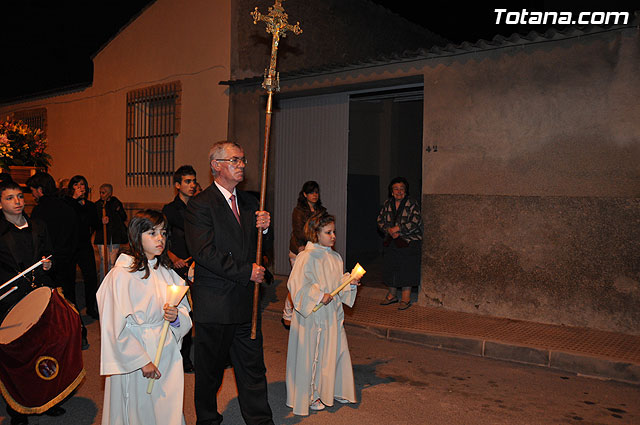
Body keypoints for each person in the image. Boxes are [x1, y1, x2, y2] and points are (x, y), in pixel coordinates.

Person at [184, 141, 274, 425]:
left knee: (253, 369)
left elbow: (259, 247)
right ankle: (208, 420)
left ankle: (260, 420)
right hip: (216, 304)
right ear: (216, 165)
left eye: (243, 160)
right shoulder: (200, 205)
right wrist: (246, 271)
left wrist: (265, 227)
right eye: (235, 160)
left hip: (246, 303)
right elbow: (204, 253)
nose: (242, 165)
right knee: (210, 373)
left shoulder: (250, 202)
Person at [97, 210, 192, 425]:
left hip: (165, 350)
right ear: (137, 236)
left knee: (165, 408)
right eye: (152, 233)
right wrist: (141, 360)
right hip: (137, 354)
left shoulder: (166, 271)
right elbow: (113, 326)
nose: (160, 239)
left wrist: (175, 317)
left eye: (163, 233)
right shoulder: (121, 275)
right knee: (139, 409)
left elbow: (184, 311)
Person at [0, 179, 66, 425]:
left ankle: (48, 398)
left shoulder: (38, 225)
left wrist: (49, 264)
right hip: (11, 300)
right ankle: (18, 407)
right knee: (18, 355)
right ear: (0, 203)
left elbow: (50, 256)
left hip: (40, 295)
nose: (17, 201)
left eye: (19, 196)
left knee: (46, 348)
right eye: (10, 197)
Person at [285, 211, 358, 416]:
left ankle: (333, 388)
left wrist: (349, 282)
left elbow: (337, 285)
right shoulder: (305, 257)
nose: (333, 236)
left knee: (334, 351)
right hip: (313, 316)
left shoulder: (335, 257)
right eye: (328, 232)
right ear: (316, 233)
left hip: (331, 316)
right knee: (313, 353)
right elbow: (296, 284)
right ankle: (311, 394)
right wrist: (318, 295)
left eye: (334, 231)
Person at [162, 165, 197, 373]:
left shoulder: (198, 206)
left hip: (196, 266)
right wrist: (173, 257)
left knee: (195, 314)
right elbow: (162, 238)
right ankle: (181, 358)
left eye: (193, 181)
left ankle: (193, 356)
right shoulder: (169, 209)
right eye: (187, 181)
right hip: (176, 267)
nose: (192, 185)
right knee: (180, 312)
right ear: (177, 185)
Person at [282, 181, 327, 329]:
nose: (315, 195)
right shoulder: (298, 210)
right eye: (311, 192)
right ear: (305, 194)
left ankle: (307, 313)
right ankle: (287, 314)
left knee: (313, 285)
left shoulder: (321, 210)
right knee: (296, 284)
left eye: (316, 192)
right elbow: (298, 231)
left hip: (316, 252)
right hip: (299, 251)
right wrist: (304, 247)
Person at [377, 177, 423, 310]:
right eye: (396, 189)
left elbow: (416, 221)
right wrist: (389, 231)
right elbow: (380, 220)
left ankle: (406, 298)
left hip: (408, 241)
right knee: (390, 267)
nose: (399, 191)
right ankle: (392, 296)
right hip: (391, 241)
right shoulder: (387, 203)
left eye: (402, 189)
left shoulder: (412, 203)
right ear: (391, 191)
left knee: (406, 269)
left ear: (406, 191)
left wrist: (399, 229)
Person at [65, 175, 100, 319]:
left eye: (83, 185)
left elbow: (95, 224)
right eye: (77, 185)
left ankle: (91, 306)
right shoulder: (66, 203)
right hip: (70, 245)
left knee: (91, 276)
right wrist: (75, 200)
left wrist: (101, 220)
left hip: (85, 245)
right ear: (72, 187)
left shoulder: (90, 205)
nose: (81, 187)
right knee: (69, 277)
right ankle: (72, 309)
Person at [94, 183, 127, 281]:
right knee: (104, 261)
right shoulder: (98, 205)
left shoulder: (115, 203)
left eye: (103, 193)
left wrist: (116, 212)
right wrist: (101, 220)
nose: (101, 195)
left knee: (112, 262)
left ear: (109, 193)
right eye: (100, 192)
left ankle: (111, 282)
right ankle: (103, 282)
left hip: (114, 236)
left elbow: (123, 217)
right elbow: (94, 220)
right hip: (102, 236)